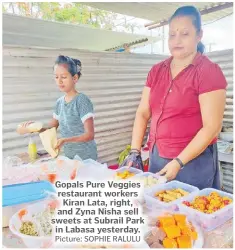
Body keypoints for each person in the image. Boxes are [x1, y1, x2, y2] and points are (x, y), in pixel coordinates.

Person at [123, 6, 227, 190]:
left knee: (193, 212)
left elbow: (212, 127)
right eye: (172, 34)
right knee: (159, 209)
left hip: (193, 162)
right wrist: (134, 151)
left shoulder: (208, 72)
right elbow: (143, 112)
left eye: (185, 34)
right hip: (158, 157)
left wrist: (179, 162)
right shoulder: (156, 71)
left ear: (199, 35)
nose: (176, 40)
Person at [19, 55, 97, 160]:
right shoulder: (59, 103)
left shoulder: (82, 101)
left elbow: (90, 135)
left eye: (63, 77)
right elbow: (51, 128)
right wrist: (34, 127)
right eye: (56, 77)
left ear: (75, 78)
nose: (59, 81)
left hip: (86, 158)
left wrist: (65, 140)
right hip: (70, 157)